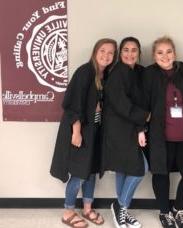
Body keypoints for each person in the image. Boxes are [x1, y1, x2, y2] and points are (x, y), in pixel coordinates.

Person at [142, 36, 183, 228]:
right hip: (160, 136)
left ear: (175, 53)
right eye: (160, 52)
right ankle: (164, 212)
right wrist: (140, 129)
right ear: (154, 56)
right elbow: (141, 104)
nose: (165, 56)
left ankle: (178, 209)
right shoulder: (148, 74)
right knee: (160, 174)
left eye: (169, 51)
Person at [50, 38, 117, 228]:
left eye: (111, 52)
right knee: (79, 173)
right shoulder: (85, 72)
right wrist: (76, 132)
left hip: (96, 131)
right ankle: (68, 211)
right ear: (95, 52)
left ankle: (87, 208)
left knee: (92, 171)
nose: (106, 55)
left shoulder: (105, 76)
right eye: (102, 50)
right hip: (81, 130)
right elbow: (73, 105)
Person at [101, 37, 150, 228]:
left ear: (139, 53)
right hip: (118, 130)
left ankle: (122, 210)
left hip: (130, 127)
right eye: (126, 50)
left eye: (134, 50)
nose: (130, 54)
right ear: (120, 54)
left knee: (123, 169)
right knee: (139, 169)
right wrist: (145, 117)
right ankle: (120, 206)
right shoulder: (118, 73)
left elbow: (137, 100)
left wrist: (140, 129)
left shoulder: (137, 72)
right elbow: (123, 105)